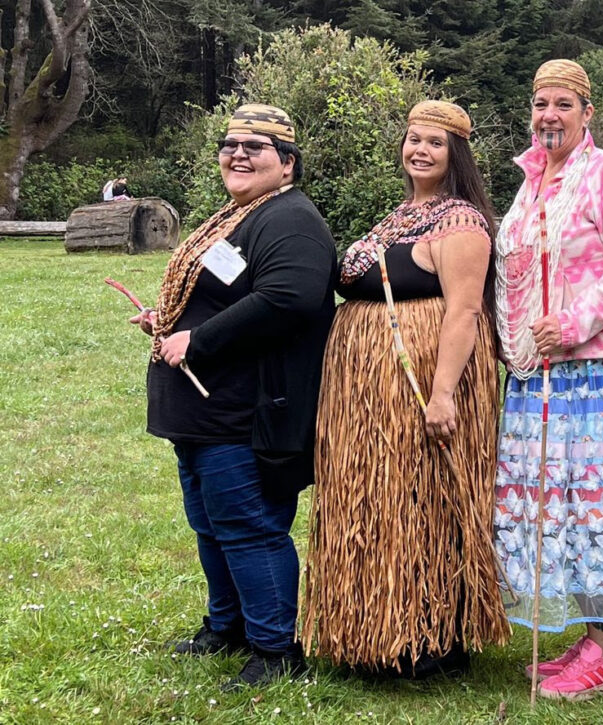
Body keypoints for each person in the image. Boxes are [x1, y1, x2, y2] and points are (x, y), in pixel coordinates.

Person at [131, 103, 338, 690]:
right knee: (210, 522)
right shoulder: (238, 215)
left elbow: (288, 298)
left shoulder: (290, 219)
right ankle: (229, 627)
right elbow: (225, 292)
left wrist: (198, 337)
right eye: (230, 145)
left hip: (247, 409)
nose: (239, 154)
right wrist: (169, 318)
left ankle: (275, 651)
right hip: (205, 411)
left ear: (288, 163)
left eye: (257, 147)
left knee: (249, 525)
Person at [301, 100, 508, 677]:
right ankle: (373, 629)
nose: (420, 150)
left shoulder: (461, 222)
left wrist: (442, 394)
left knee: (422, 499)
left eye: (435, 143)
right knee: (375, 496)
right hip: (368, 390)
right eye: (413, 139)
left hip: (418, 380)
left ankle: (431, 636)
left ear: (456, 155)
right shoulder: (400, 214)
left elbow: (464, 312)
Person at [492, 59, 603, 701]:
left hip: (592, 371)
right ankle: (591, 637)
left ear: (588, 114)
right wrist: (519, 339)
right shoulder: (530, 183)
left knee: (590, 505)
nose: (548, 116)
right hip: (536, 370)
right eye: (540, 104)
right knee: (548, 505)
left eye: (563, 104)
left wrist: (574, 322)